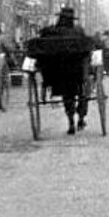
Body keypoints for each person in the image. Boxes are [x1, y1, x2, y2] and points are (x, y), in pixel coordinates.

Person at [35, 7, 96, 135]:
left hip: (56, 72)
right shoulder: (78, 32)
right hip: (77, 71)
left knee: (67, 96)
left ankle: (71, 122)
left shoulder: (50, 32)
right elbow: (87, 51)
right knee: (83, 92)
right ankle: (80, 117)